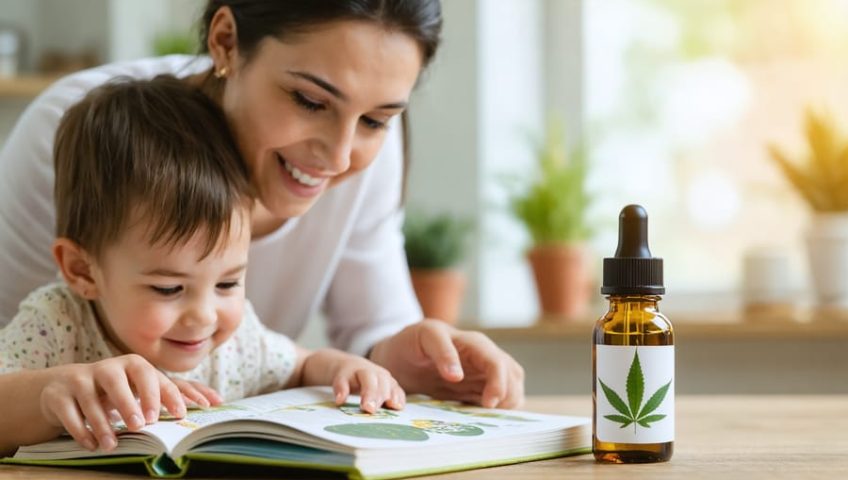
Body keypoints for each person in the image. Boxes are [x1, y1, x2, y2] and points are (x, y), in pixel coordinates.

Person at [0, 0, 524, 409]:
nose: (339, 156)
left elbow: (368, 333)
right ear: (226, 41)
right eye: (310, 101)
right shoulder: (82, 137)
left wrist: (410, 359)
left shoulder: (366, 158)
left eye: (376, 120)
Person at [0, 77, 405, 456]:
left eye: (228, 283)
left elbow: (299, 365)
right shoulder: (56, 322)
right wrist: (46, 395)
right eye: (168, 289)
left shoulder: (236, 339)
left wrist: (344, 367)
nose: (204, 315)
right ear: (82, 271)